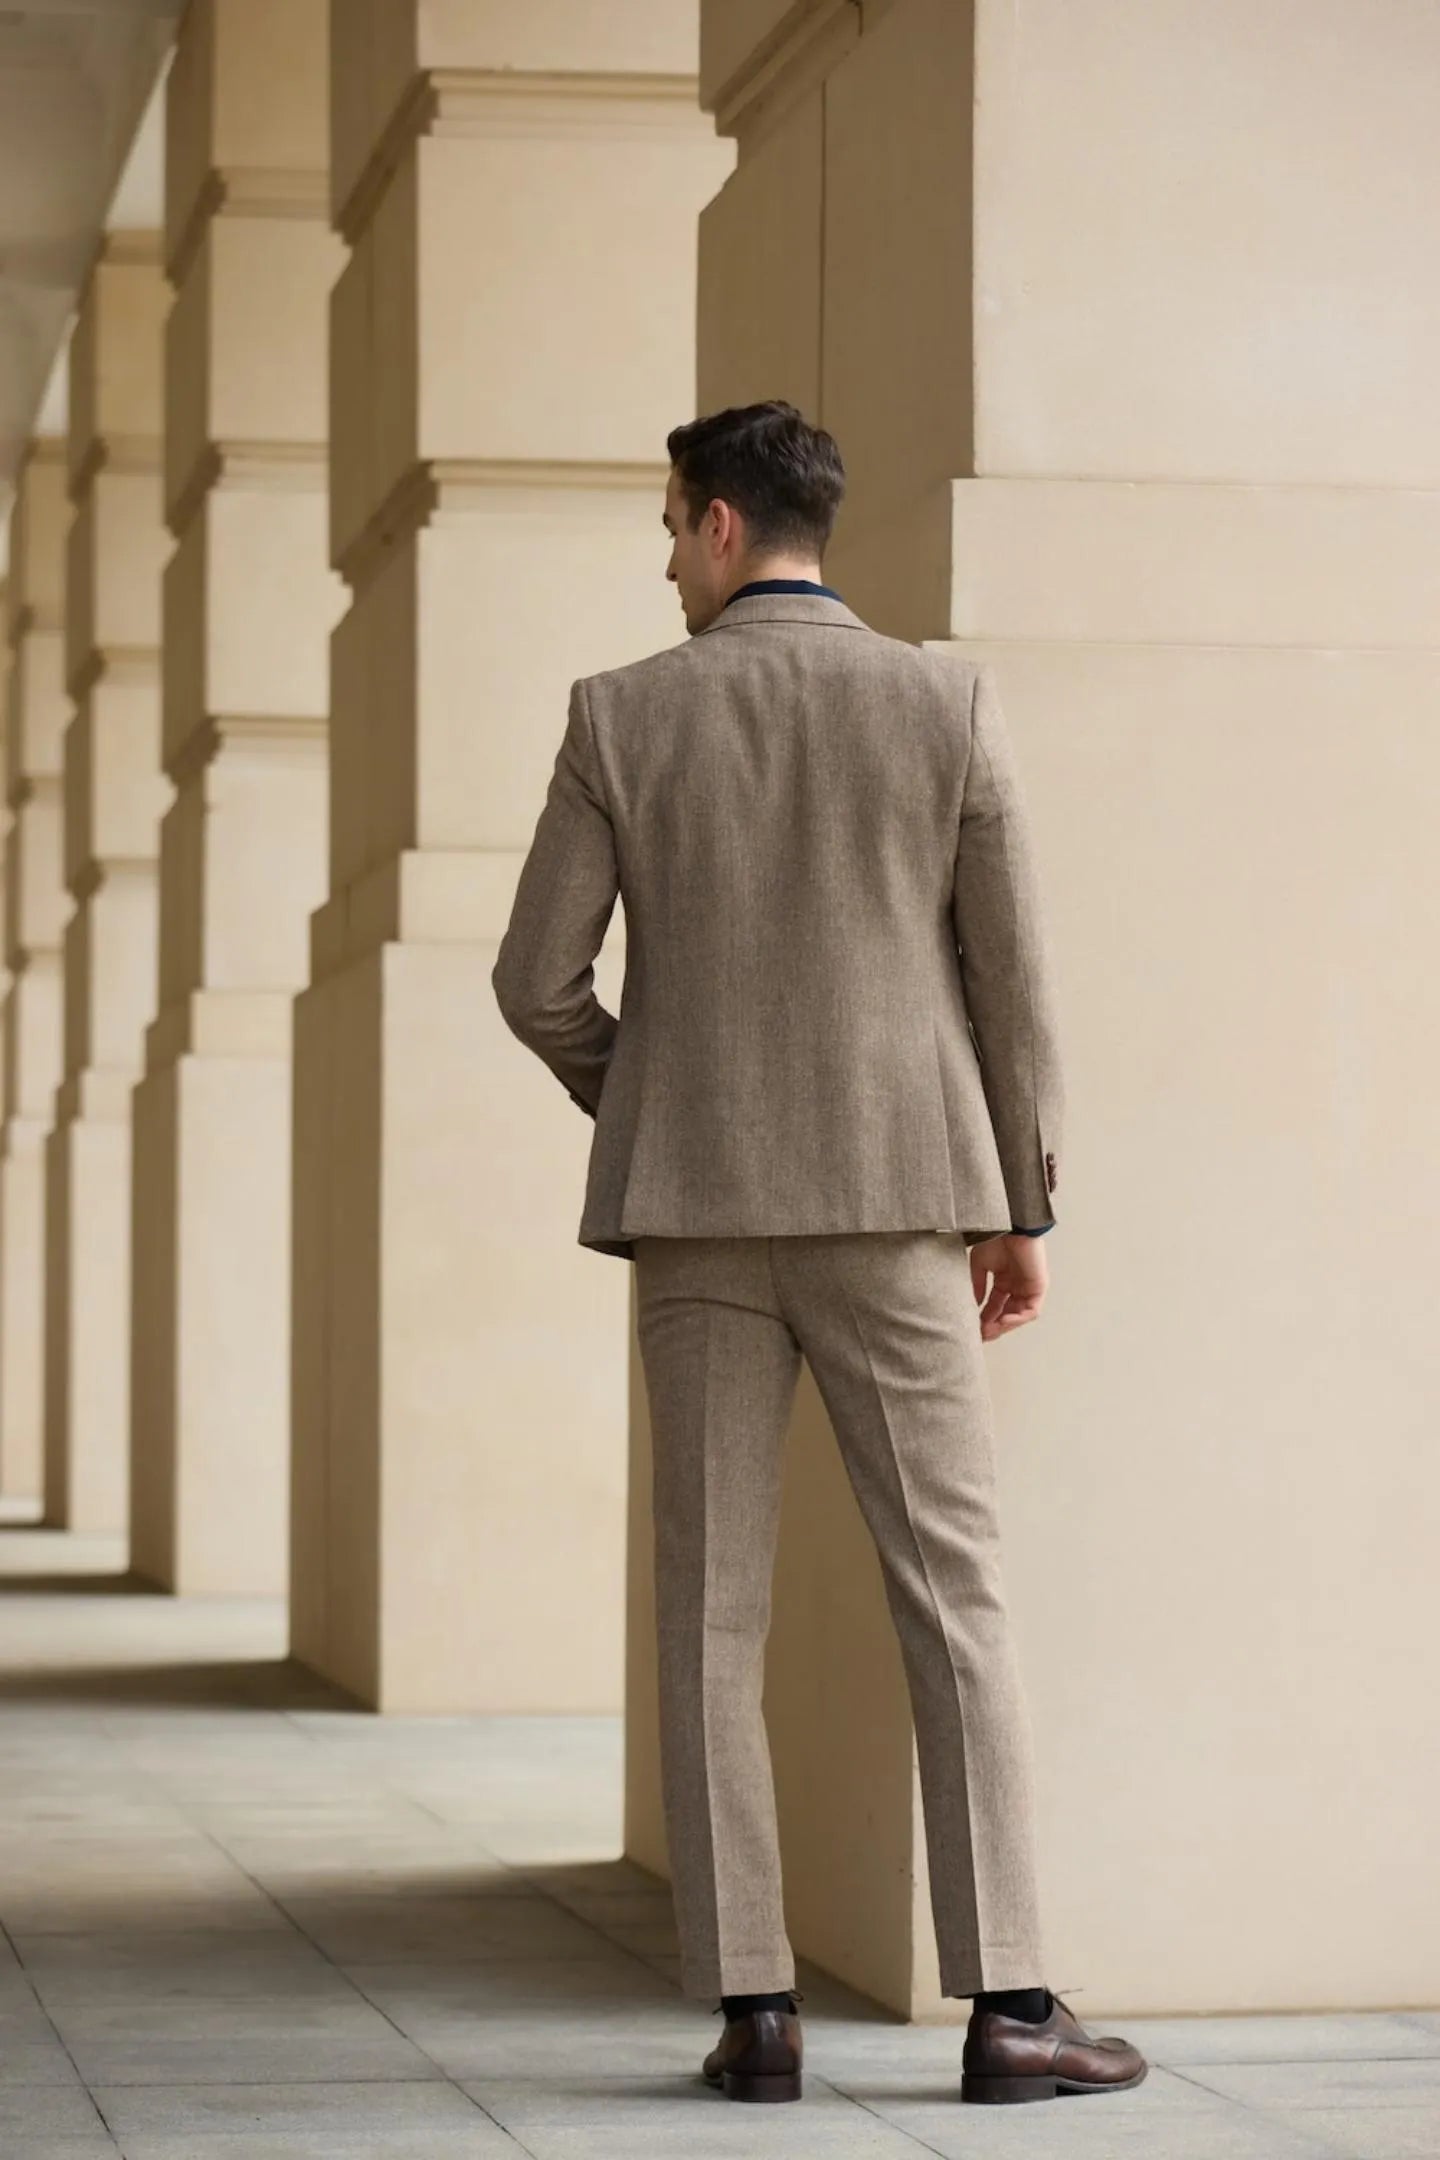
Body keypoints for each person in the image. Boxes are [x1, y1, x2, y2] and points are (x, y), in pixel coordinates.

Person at [491, 401, 1147, 2107]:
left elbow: (531, 980)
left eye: (667, 525)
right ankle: (1011, 2010)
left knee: (711, 1615)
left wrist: (648, 1098)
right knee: (958, 1595)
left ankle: (755, 2017)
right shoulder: (945, 702)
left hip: (696, 1220)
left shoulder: (621, 715)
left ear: (716, 525)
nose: (664, 556)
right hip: (901, 1203)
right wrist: (1026, 1203)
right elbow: (1015, 983)